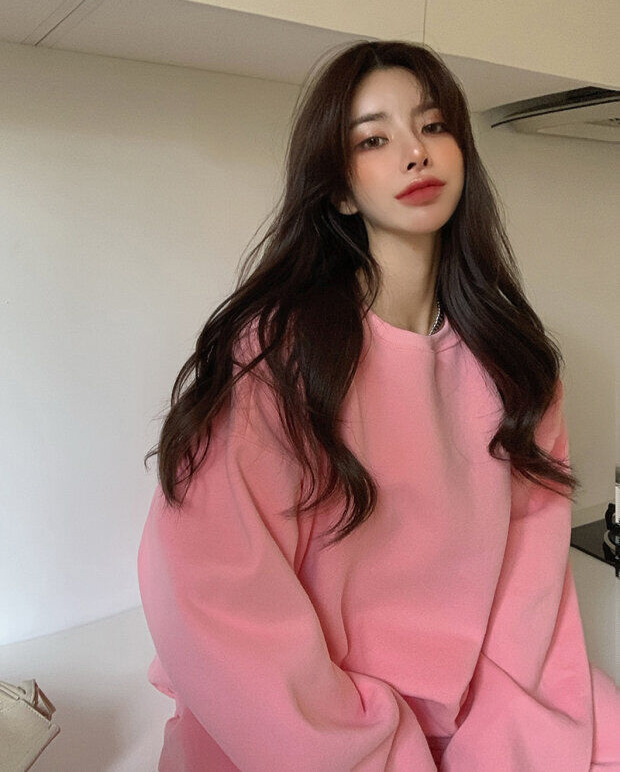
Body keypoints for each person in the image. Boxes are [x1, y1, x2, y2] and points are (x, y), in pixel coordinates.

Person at [137, 40, 619, 770]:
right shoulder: (277, 357)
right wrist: (374, 748)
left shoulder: (517, 364)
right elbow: (211, 598)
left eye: (433, 126)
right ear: (339, 190)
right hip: (300, 730)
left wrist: (500, 736)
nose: (415, 152)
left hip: (482, 708)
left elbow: (531, 590)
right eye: (373, 139)